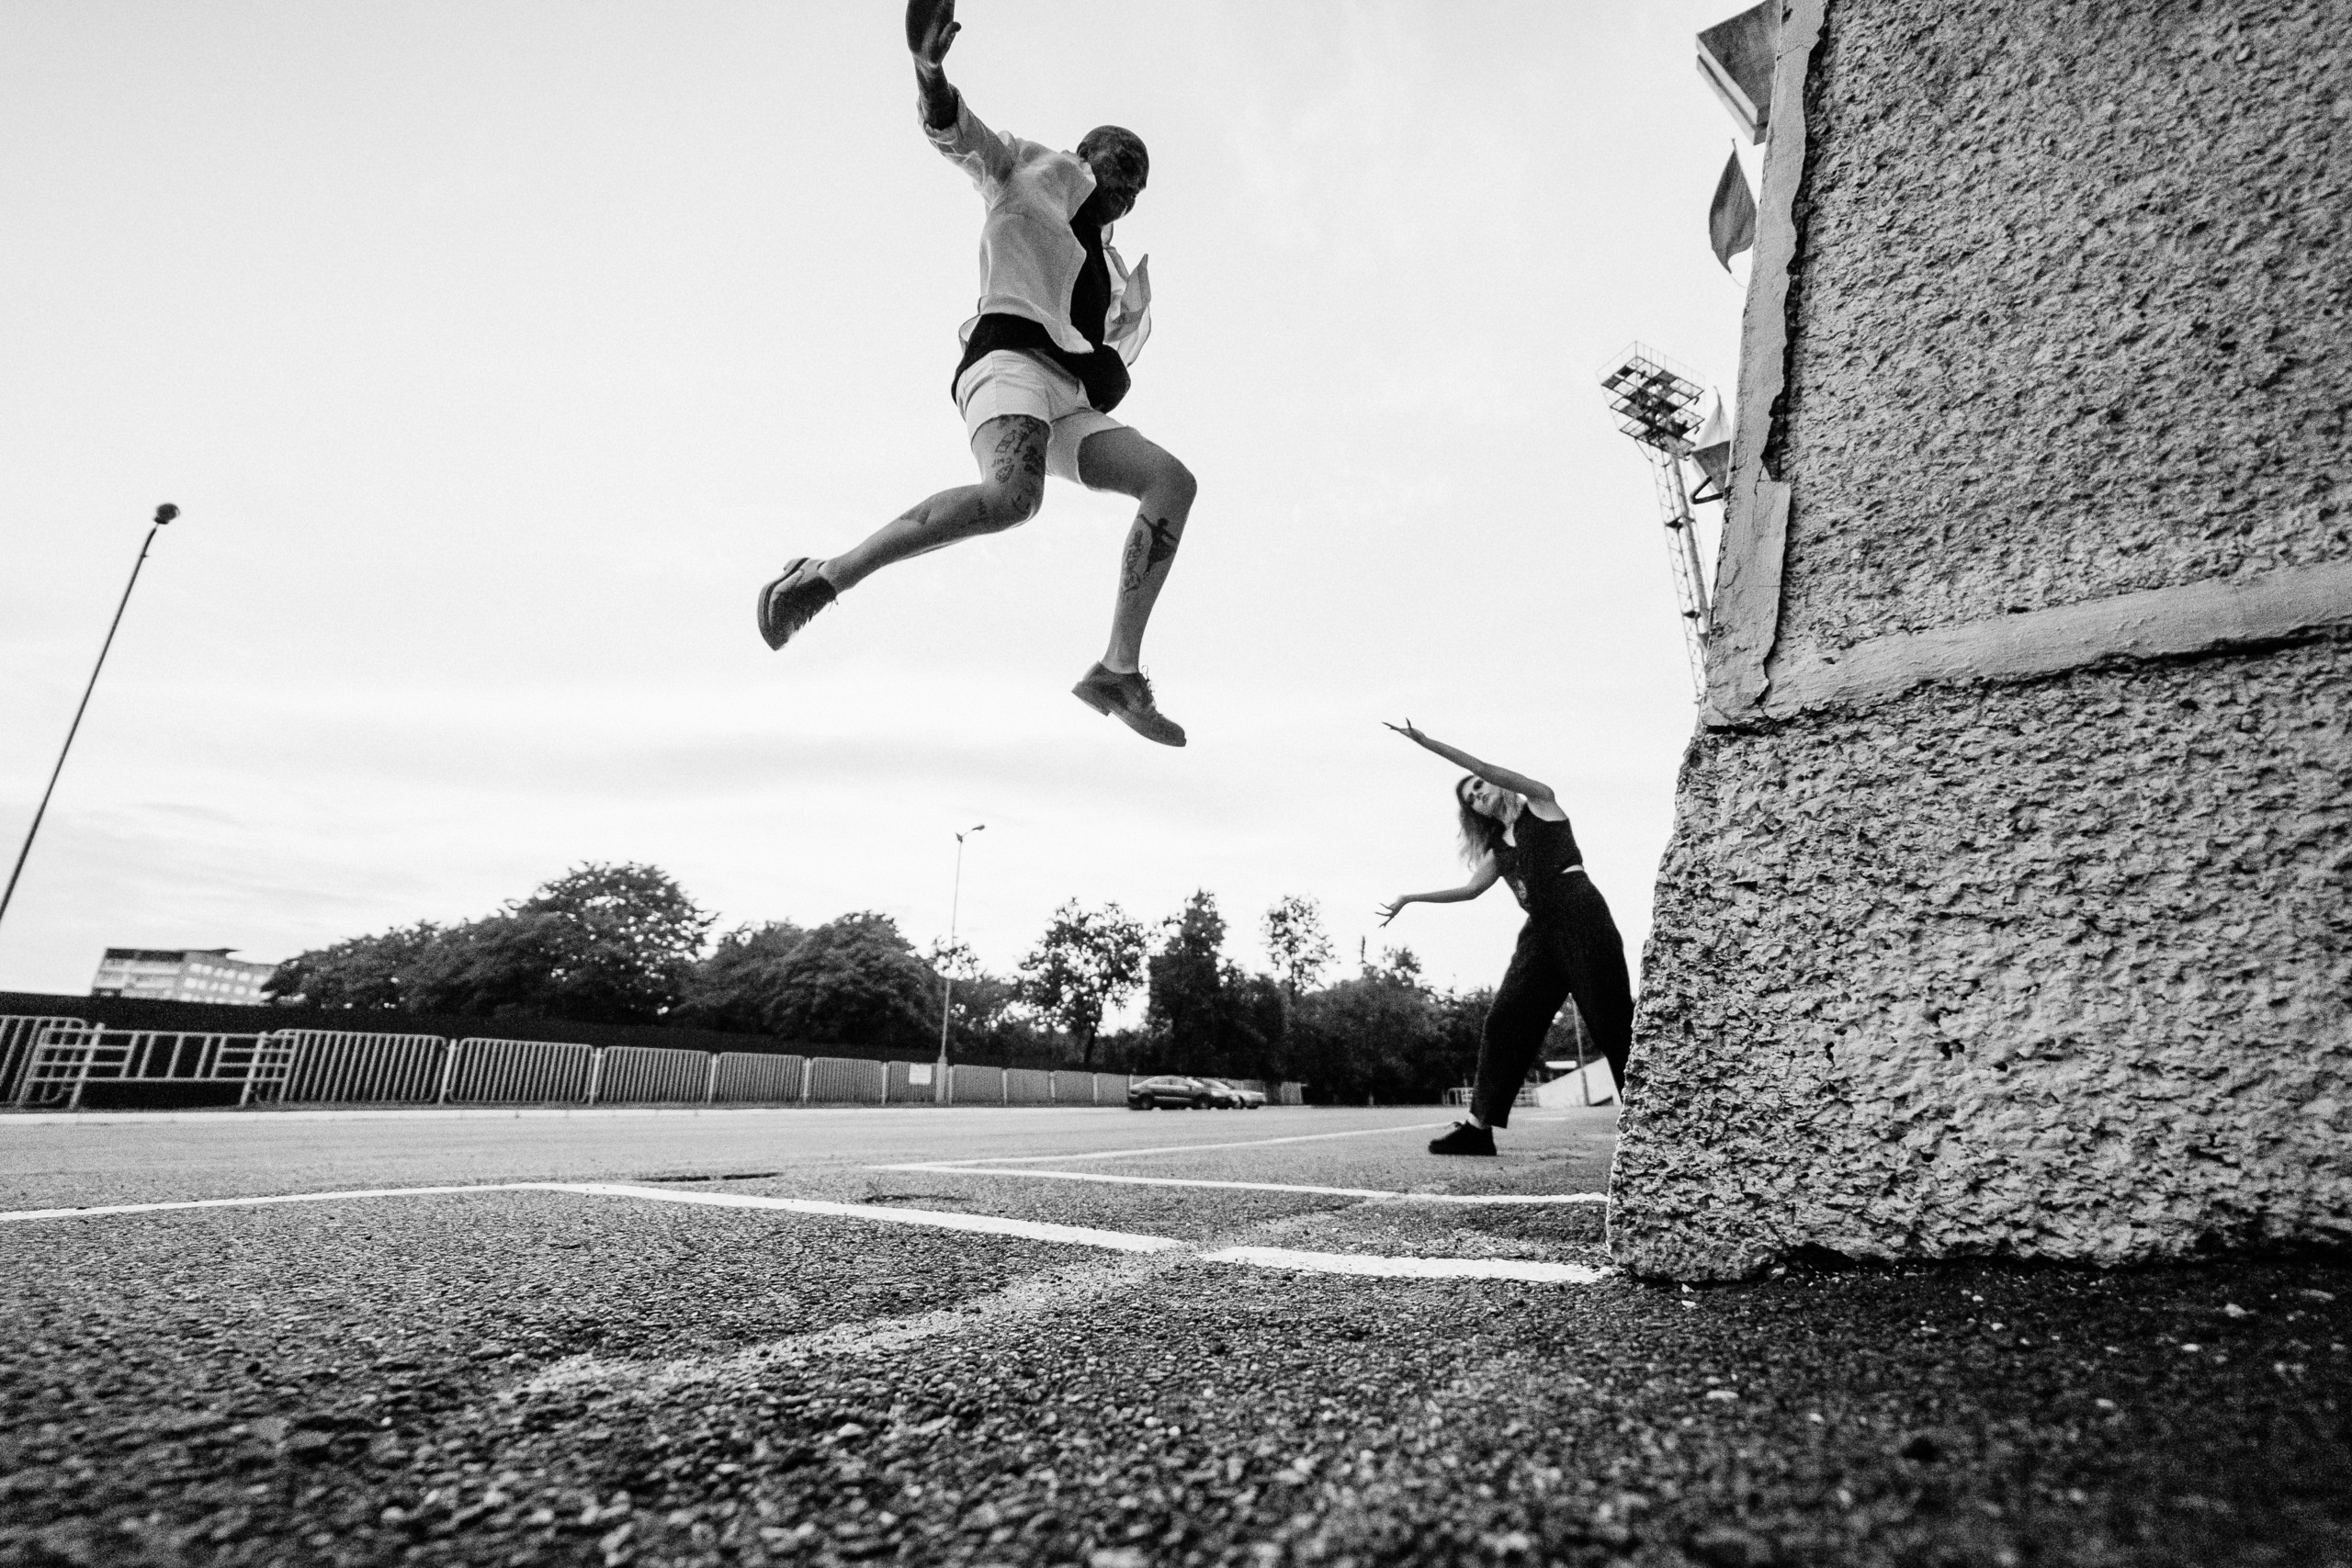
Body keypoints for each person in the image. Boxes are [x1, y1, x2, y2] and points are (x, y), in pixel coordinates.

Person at [755, 0, 1196, 748]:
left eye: (1141, 186)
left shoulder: (1110, 267)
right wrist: (930, 69)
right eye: (1125, 167)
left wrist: (1110, 365)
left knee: (1171, 482)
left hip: (1067, 395)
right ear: (1090, 151)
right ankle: (823, 575)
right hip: (1008, 361)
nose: (1131, 189)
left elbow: (1110, 355)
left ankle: (1118, 669)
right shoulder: (1030, 170)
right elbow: (960, 135)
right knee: (1011, 499)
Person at [1376, 720, 1634, 1156]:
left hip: (1580, 912)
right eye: (1470, 798)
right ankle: (1478, 1128)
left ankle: (1652, 1118)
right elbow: (1470, 890)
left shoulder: (1541, 803)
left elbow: (1483, 765)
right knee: (1505, 1019)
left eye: (1478, 786)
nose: (1478, 794)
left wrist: (1429, 744)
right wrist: (1411, 898)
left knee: (1608, 1017)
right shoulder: (1500, 849)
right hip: (1540, 929)